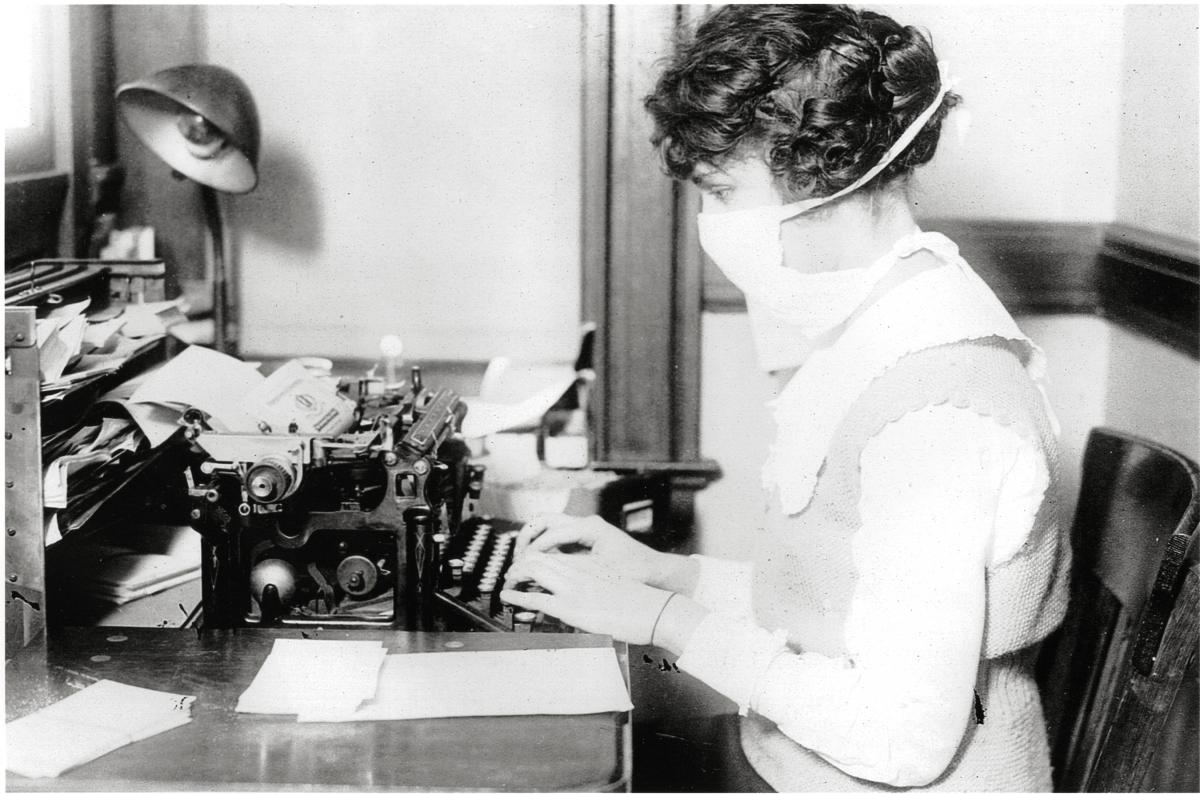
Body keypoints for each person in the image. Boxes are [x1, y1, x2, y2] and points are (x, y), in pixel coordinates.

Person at [501, 5, 1070, 791]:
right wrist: (667, 574)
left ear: (826, 177)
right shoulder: (886, 327)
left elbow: (901, 739)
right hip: (798, 766)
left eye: (724, 192)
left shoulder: (942, 406)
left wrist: (666, 624)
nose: (712, 224)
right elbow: (841, 605)